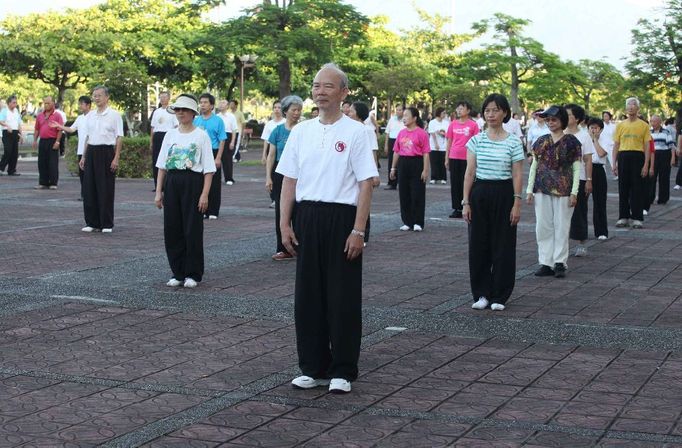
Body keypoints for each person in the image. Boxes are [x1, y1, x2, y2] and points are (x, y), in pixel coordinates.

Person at [277, 63, 378, 394]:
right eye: (316, 86)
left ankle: (343, 369)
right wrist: (285, 223)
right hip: (307, 216)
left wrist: (358, 231)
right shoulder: (301, 131)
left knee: (342, 296)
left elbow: (366, 184)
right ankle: (313, 366)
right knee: (308, 296)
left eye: (328, 86)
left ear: (344, 92)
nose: (320, 91)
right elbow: (289, 179)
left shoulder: (357, 132)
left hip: (342, 218)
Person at [464, 94, 524, 311]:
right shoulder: (476, 140)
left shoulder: (513, 142)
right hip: (479, 193)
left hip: (504, 193)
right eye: (487, 110)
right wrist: (465, 202)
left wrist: (517, 202)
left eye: (496, 110)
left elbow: (517, 175)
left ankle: (500, 294)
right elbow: (469, 173)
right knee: (478, 244)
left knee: (504, 244)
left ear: (505, 113)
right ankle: (481, 293)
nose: (491, 114)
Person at [154, 94, 216, 289]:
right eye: (178, 110)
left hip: (193, 182)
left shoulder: (201, 135)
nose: (180, 113)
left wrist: (205, 194)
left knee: (192, 229)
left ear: (192, 113)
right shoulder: (169, 135)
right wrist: (158, 191)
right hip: (172, 182)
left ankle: (193, 273)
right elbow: (162, 166)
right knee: (172, 228)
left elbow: (208, 169)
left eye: (184, 110)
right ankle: (177, 271)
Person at [526, 105, 581, 279]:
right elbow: (534, 165)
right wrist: (529, 189)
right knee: (543, 226)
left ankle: (559, 262)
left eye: (554, 119)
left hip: (564, 189)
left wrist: (574, 192)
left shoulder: (572, 142)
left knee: (561, 225)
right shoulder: (541, 141)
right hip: (542, 188)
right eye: (548, 119)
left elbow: (577, 169)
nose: (550, 122)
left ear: (562, 121)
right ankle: (545, 262)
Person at [80, 86, 124, 233]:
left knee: (105, 188)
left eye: (99, 95)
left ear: (107, 97)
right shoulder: (90, 115)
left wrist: (116, 158)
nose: (96, 98)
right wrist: (84, 156)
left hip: (106, 152)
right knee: (89, 188)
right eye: (94, 96)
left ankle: (106, 223)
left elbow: (119, 137)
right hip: (91, 151)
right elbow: (88, 136)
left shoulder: (114, 115)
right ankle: (92, 222)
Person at [265, 95, 303, 261]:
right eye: (294, 110)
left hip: (301, 172)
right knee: (282, 210)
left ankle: (301, 245)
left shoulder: (303, 129)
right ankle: (284, 248)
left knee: (301, 209)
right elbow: (271, 155)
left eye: (299, 110)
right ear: (286, 111)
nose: (296, 113)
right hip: (280, 172)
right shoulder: (278, 131)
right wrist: (268, 177)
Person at [612, 98, 652, 229]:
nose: (630, 107)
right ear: (626, 108)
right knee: (623, 188)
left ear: (638, 108)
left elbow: (647, 146)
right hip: (623, 156)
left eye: (633, 104)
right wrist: (614, 163)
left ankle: (637, 218)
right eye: (628, 104)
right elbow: (616, 145)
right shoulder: (620, 125)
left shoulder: (644, 125)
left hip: (638, 157)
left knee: (637, 189)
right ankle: (623, 217)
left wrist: (646, 164)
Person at [390, 107, 430, 232]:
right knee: (404, 193)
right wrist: (393, 168)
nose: (404, 118)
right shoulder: (401, 133)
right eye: (404, 115)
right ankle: (407, 221)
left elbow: (426, 153)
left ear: (414, 118)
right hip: (403, 163)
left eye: (407, 115)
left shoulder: (421, 133)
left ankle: (418, 221)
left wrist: (425, 170)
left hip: (416, 163)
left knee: (417, 193)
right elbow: (396, 151)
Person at [350, 101, 381, 244]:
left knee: (363, 201)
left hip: (364, 171)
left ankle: (363, 233)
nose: (348, 113)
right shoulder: (349, 129)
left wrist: (374, 174)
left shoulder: (367, 130)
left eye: (351, 111)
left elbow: (373, 152)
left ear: (358, 113)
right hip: (351, 171)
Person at [564, 104, 594, 257]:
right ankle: (562, 243)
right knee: (561, 211)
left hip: (580, 178)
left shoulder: (584, 135)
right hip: (561, 179)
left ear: (576, 118)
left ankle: (582, 241)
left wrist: (589, 180)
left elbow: (588, 160)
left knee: (579, 210)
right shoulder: (559, 133)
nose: (565, 116)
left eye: (568, 115)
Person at [50, 96, 92, 198]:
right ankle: (84, 195)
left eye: (82, 104)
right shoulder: (80, 118)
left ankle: (90, 195)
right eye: (79, 104)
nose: (80, 106)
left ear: (88, 105)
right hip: (81, 150)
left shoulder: (94, 116)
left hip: (91, 149)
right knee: (82, 174)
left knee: (89, 174)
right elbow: (72, 129)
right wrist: (59, 126)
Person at [194, 93, 226, 220]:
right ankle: (202, 210)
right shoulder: (196, 120)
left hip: (213, 152)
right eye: (201, 102)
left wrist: (218, 158)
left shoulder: (218, 120)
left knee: (214, 183)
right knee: (200, 182)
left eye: (205, 102)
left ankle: (213, 210)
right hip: (199, 153)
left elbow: (222, 140)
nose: (202, 104)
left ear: (212, 105)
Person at [445, 101, 479, 218]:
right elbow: (449, 141)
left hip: (468, 158)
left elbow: (476, 142)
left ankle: (468, 205)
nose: (459, 111)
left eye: (462, 108)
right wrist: (446, 158)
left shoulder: (473, 125)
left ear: (468, 111)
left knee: (468, 182)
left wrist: (476, 159)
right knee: (455, 183)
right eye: (458, 108)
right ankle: (457, 208)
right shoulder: (453, 124)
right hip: (454, 156)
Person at [33, 96, 64, 190]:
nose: (46, 105)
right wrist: (35, 140)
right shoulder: (40, 115)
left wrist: (58, 142)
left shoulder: (57, 115)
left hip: (53, 141)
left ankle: (53, 182)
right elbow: (37, 129)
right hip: (43, 141)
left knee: (52, 162)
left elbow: (60, 130)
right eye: (45, 103)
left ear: (53, 103)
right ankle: (43, 182)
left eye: (48, 103)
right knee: (42, 162)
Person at [150, 92, 178, 191]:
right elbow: (153, 127)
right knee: (156, 161)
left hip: (168, 135)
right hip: (157, 136)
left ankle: (166, 184)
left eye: (164, 97)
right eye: (161, 97)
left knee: (167, 159)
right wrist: (151, 142)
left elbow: (176, 126)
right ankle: (157, 185)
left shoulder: (173, 111)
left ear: (169, 98)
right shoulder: (156, 111)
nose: (162, 99)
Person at [586, 117, 609, 240]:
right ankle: (580, 231)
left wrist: (594, 139)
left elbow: (601, 153)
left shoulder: (605, 139)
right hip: (585, 170)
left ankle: (601, 231)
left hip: (599, 170)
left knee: (600, 201)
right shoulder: (584, 139)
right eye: (591, 127)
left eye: (596, 128)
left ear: (601, 129)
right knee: (581, 202)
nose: (593, 130)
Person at [648, 114, 676, 205]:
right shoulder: (649, 132)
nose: (653, 123)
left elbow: (671, 146)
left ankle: (663, 199)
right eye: (651, 121)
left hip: (664, 155)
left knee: (664, 178)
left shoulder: (666, 132)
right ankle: (650, 198)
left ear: (660, 122)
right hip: (653, 156)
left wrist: (672, 158)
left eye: (655, 121)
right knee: (651, 177)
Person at [0, 95, 23, 176]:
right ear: (9, 103)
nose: (15, 104)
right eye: (13, 103)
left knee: (14, 152)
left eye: (16, 103)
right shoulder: (4, 111)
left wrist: (21, 134)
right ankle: (1, 168)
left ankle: (12, 170)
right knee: (8, 151)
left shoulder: (16, 111)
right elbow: (1, 121)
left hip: (15, 132)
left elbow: (19, 123)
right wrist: (6, 126)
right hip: (7, 133)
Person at [383, 104, 405, 190]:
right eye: (397, 110)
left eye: (400, 110)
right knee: (391, 162)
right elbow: (387, 132)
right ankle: (392, 182)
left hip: (402, 141)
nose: (398, 111)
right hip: (392, 141)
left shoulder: (405, 120)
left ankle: (401, 182)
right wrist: (386, 145)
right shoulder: (392, 120)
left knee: (401, 162)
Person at [216, 99, 238, 186]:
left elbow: (234, 130)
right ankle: (217, 178)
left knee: (227, 159)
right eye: (220, 103)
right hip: (218, 137)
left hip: (228, 136)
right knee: (217, 157)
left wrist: (232, 142)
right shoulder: (216, 116)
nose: (221, 104)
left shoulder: (231, 116)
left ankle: (228, 178)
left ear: (227, 106)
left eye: (223, 103)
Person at [428, 107, 449, 184]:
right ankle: (434, 178)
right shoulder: (432, 122)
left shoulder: (446, 123)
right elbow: (432, 133)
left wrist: (443, 134)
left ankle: (443, 178)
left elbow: (448, 134)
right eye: (443, 113)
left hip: (444, 146)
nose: (444, 114)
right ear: (439, 113)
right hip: (434, 146)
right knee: (434, 162)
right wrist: (436, 144)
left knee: (443, 162)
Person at [260, 100, 284, 165]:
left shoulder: (286, 122)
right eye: (275, 107)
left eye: (279, 108)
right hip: (270, 149)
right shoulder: (269, 124)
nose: (277, 109)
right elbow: (266, 140)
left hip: (282, 149)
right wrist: (264, 154)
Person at [228, 100, 245, 170]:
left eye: (232, 104)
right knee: (233, 144)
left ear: (236, 105)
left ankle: (233, 157)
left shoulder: (239, 113)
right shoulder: (229, 113)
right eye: (230, 104)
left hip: (238, 130)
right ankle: (238, 157)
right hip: (231, 131)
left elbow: (243, 122)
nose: (231, 105)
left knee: (236, 145)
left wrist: (242, 132)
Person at [602, 111, 618, 179]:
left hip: (611, 145)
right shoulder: (601, 125)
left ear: (609, 117)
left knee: (613, 161)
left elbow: (616, 136)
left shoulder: (614, 126)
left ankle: (617, 174)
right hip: (602, 146)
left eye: (606, 116)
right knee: (602, 162)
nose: (605, 117)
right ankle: (603, 175)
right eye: (604, 116)